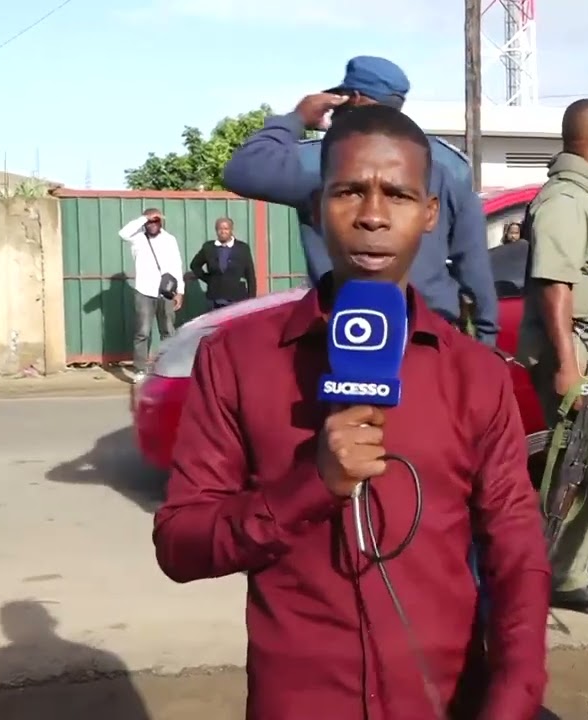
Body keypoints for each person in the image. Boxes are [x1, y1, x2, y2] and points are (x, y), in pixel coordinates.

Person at [152, 105, 549, 720]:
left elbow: (516, 553)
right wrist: (312, 486)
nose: (372, 215)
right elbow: (180, 546)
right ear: (316, 207)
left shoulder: (475, 374)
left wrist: (515, 695)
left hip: (442, 699)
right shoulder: (237, 359)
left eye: (397, 193)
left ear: (429, 214)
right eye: (348, 191)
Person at [221, 55, 499, 345]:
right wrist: (486, 336)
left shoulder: (326, 159)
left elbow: (242, 169)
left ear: (350, 98)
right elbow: (473, 261)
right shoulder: (449, 164)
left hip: (346, 331)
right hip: (429, 334)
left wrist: (298, 117)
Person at [514, 98, 588, 616]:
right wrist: (566, 364)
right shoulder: (566, 200)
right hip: (579, 346)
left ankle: (583, 558)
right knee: (582, 460)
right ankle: (564, 574)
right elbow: (554, 286)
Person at [117, 208, 183, 377]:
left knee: (168, 331)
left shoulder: (169, 240)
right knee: (142, 332)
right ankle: (140, 370)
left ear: (161, 222)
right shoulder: (137, 238)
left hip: (166, 292)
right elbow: (123, 233)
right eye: (150, 221)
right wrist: (143, 218)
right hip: (144, 291)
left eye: (156, 221)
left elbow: (177, 265)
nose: (153, 224)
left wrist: (180, 292)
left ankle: (168, 367)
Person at [188, 217, 257, 309]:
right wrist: (209, 279)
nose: (223, 231)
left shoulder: (242, 248)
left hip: (237, 298)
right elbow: (195, 265)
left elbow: (250, 275)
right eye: (220, 229)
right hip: (215, 298)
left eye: (226, 229)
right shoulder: (208, 248)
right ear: (216, 230)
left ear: (231, 230)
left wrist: (252, 298)